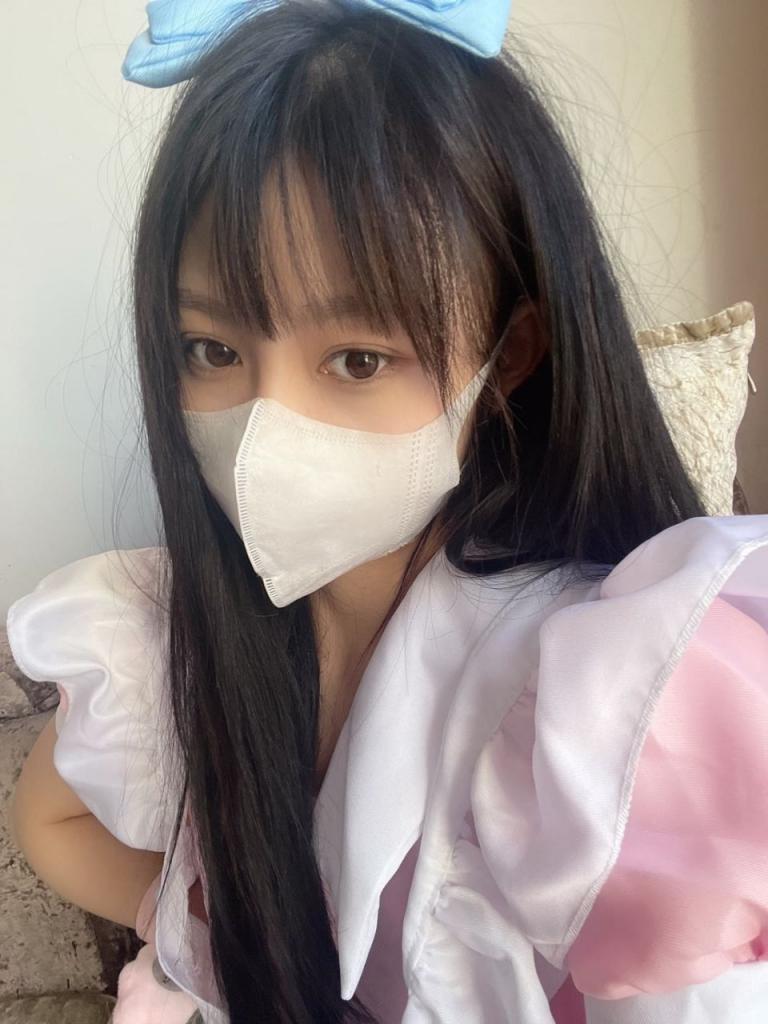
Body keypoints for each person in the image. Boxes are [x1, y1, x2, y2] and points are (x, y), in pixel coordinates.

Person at [6, 0, 768, 1021]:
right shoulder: (167, 632)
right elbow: (48, 820)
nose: (267, 428)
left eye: (358, 360)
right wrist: (229, 941)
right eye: (213, 350)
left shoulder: (614, 700)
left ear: (511, 354)